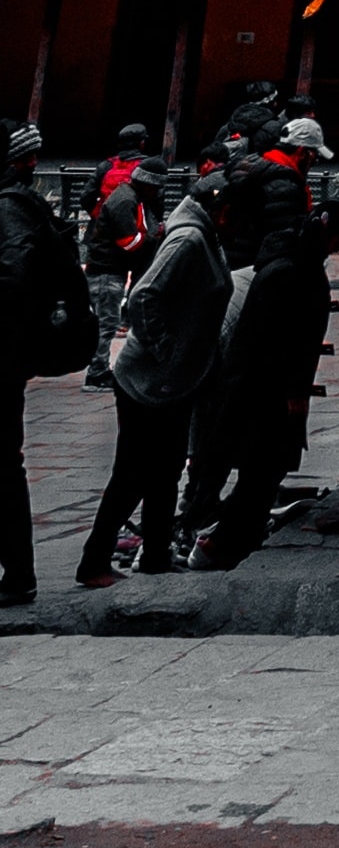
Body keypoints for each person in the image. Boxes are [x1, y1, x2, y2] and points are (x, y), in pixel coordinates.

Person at [78, 167, 226, 585]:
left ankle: (157, 553)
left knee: (166, 469)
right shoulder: (188, 238)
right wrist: (165, 351)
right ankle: (94, 560)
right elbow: (144, 296)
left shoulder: (202, 234)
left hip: (173, 381)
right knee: (133, 472)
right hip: (147, 381)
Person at [185, 159, 335, 566]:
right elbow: (286, 343)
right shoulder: (289, 272)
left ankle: (201, 518)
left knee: (227, 452)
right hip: (256, 384)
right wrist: (294, 389)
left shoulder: (278, 261)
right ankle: (208, 531)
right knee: (249, 463)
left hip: (243, 380)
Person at [4, 119, 95, 603]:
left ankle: (18, 574)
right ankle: (17, 573)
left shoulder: (9, 210)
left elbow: (14, 277)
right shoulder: (24, 206)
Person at [83, 127, 157, 387]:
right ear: (142, 142)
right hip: (125, 251)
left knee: (105, 313)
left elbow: (85, 196)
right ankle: (97, 372)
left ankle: (101, 366)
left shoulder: (107, 166)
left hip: (105, 246)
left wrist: (99, 216)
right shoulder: (142, 174)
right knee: (107, 318)